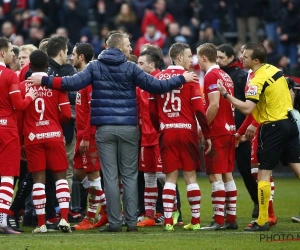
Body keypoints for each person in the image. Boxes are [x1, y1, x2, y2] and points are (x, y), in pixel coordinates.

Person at [26, 32, 198, 233]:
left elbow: (72, 83)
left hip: (105, 128)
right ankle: (132, 222)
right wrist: (182, 79)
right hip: (128, 128)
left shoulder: (95, 66)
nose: (130, 48)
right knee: (130, 176)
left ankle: (115, 223)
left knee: (109, 177)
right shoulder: (131, 67)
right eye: (127, 44)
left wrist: (45, 80)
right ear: (119, 47)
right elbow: (157, 86)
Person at [217, 42, 300, 231]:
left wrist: (226, 95)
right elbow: (259, 109)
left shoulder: (255, 80)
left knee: (263, 173)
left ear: (255, 60)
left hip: (273, 127)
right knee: (298, 168)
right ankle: (266, 216)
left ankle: (263, 220)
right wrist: (240, 133)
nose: (241, 58)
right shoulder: (274, 70)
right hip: (290, 123)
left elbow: (248, 108)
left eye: (245, 56)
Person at [149, 42, 211, 232]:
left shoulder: (158, 78)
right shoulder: (190, 79)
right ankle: (196, 220)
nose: (191, 60)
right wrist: (206, 134)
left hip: (167, 131)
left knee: (170, 178)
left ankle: (168, 221)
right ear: (178, 58)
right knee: (190, 177)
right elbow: (200, 110)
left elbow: (151, 110)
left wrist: (160, 127)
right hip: (186, 131)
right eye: (188, 55)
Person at [19, 49, 72, 233]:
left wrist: (21, 140)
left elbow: (19, 114)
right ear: (47, 66)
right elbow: (66, 113)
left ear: (30, 66)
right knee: (61, 180)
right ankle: (64, 219)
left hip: (33, 137)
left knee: (39, 181)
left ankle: (41, 224)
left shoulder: (22, 86)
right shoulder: (55, 85)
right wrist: (57, 125)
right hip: (53, 135)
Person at [196, 43, 238, 231]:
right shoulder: (225, 75)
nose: (197, 62)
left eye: (198, 58)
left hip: (218, 131)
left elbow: (213, 105)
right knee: (227, 174)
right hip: (229, 128)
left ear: (203, 57)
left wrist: (204, 130)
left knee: (215, 176)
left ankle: (219, 220)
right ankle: (231, 218)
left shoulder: (212, 75)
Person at [0, 37, 38, 234]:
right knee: (7, 175)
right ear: (2, 53)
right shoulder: (9, 75)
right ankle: (2, 221)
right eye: (10, 52)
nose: (13, 56)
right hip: (6, 129)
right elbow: (19, 105)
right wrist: (29, 97)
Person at [216, 44, 259, 218]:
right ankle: (223, 210)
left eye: (221, 58)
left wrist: (243, 130)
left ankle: (258, 202)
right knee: (221, 171)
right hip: (224, 128)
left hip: (239, 131)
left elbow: (249, 106)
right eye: (216, 58)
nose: (218, 61)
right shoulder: (217, 74)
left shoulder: (241, 76)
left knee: (245, 169)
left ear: (231, 58)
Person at [70, 43, 108, 230]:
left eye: (74, 54)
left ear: (82, 57)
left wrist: (86, 135)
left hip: (89, 135)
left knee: (93, 176)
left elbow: (93, 110)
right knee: (79, 172)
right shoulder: (82, 78)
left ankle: (97, 214)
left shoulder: (91, 78)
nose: (71, 57)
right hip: (81, 134)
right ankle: (103, 208)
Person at [136, 48, 166, 227]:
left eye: (141, 63)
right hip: (145, 136)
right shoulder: (141, 85)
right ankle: (149, 215)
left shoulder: (161, 81)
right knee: (148, 176)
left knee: (163, 176)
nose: (138, 67)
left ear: (152, 64)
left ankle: (172, 213)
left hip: (160, 135)